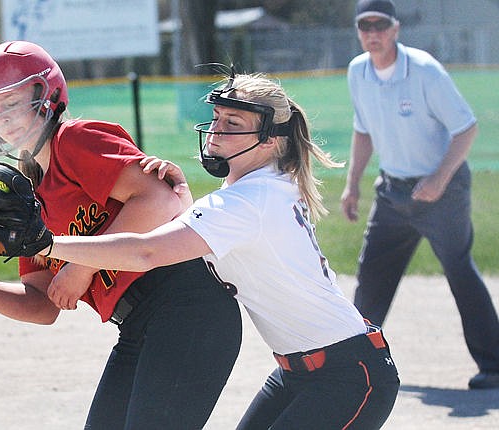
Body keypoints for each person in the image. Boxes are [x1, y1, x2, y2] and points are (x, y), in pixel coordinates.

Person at [41, 70, 400, 429]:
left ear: (270, 141)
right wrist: (181, 196)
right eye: (216, 118)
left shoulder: (249, 201)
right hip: (299, 373)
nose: (216, 130)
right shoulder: (266, 186)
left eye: (233, 122)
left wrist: (47, 244)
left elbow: (145, 252)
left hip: (349, 376)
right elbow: (215, 230)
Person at [0, 41, 242, 429]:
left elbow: (159, 198)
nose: (3, 117)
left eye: (12, 101)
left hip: (186, 306)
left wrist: (81, 266)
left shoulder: (75, 141)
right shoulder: (27, 193)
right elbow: (43, 302)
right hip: (137, 325)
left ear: (47, 93)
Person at [341, 0, 499, 390]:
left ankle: (494, 367)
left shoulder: (425, 70)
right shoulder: (358, 72)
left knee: (460, 271)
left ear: (396, 29)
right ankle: (350, 364)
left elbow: (466, 129)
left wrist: (439, 178)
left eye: (381, 25)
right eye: (365, 26)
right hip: (392, 191)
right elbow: (363, 131)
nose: (373, 34)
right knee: (371, 278)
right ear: (359, 31)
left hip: (441, 192)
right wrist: (352, 183)